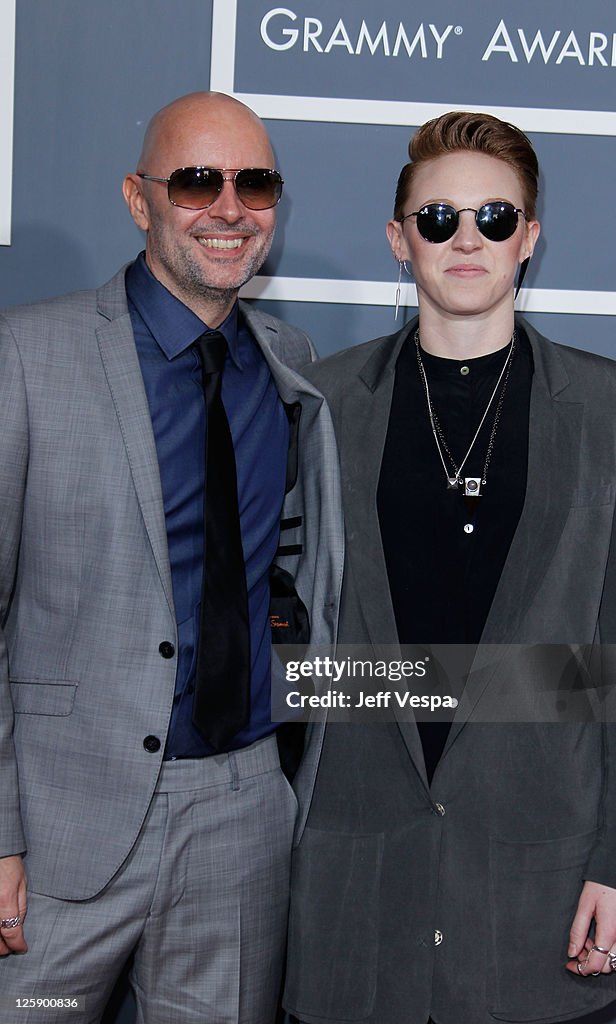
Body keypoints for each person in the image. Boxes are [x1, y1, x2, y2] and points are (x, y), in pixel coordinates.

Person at [283, 112, 616, 1024]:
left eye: (494, 218)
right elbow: (288, 639)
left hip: (534, 874)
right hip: (351, 871)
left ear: (528, 238)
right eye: (438, 217)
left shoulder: (609, 406)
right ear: (397, 238)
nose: (466, 239)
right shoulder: (321, 403)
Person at [0, 91, 342, 1023]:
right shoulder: (24, 357)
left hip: (240, 811)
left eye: (255, 182)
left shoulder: (285, 361)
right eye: (196, 181)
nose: (229, 208)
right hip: (61, 820)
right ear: (136, 196)